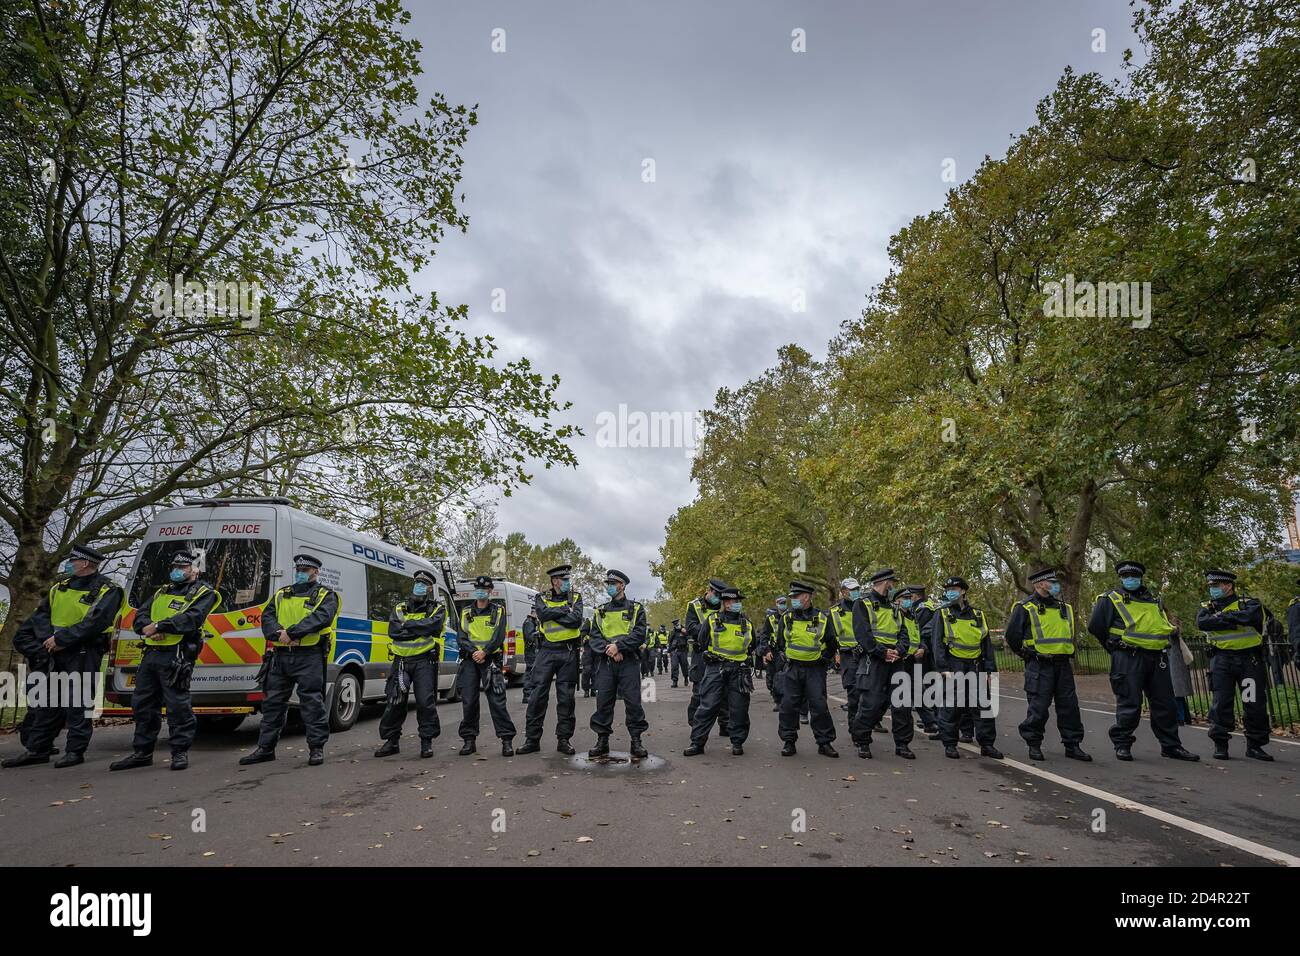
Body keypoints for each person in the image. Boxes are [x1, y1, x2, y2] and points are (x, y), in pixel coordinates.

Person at [3, 545, 122, 769]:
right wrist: (50, 640)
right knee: (47, 702)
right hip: (54, 651)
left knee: (78, 702)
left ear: (85, 563)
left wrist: (62, 639)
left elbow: (96, 622)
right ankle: (38, 749)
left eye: (73, 561)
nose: (68, 564)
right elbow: (42, 617)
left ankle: (75, 751)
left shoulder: (108, 589)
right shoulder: (59, 588)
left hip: (83, 651)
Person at [112, 550, 220, 771]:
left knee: (177, 706)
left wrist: (160, 626)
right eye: (175, 567)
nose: (177, 571)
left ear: (195, 570)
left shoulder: (204, 592)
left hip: (176, 655)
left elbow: (192, 618)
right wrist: (146, 628)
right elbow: (141, 614)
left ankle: (179, 752)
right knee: (142, 704)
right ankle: (142, 752)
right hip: (151, 653)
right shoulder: (162, 591)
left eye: (183, 567)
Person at [1086, 560, 1198, 762]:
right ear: (1121, 578)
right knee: (1130, 703)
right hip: (1127, 656)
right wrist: (1113, 647)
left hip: (1156, 658)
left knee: (1165, 704)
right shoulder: (1110, 599)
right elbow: (1095, 626)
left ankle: (1171, 746)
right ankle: (1122, 744)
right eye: (1126, 576)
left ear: (1140, 578)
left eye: (1134, 576)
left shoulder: (1154, 600)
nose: (1130, 579)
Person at [239, 554, 339, 768]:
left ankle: (316, 748)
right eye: (299, 569)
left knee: (311, 703)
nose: (300, 573)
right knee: (272, 703)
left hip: (309, 655)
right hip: (280, 656)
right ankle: (265, 749)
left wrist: (292, 634)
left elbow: (321, 618)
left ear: (316, 572)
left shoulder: (326, 595)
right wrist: (279, 634)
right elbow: (267, 618)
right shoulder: (282, 594)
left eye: (306, 570)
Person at [1003, 567, 1090, 762]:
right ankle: (1034, 744)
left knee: (1070, 707)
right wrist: (1026, 654)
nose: (1056, 585)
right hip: (1039, 665)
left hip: (1062, 665)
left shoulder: (1064, 607)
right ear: (1040, 584)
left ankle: (1073, 745)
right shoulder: (1025, 607)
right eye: (1052, 582)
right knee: (1039, 707)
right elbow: (1012, 636)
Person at [1195, 569, 1272, 761]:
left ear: (1228, 586)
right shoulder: (1207, 607)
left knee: (1253, 702)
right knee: (1221, 703)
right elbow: (1203, 623)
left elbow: (1250, 618)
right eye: (1211, 586)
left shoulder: (1250, 604)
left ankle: (1255, 745)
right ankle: (1220, 745)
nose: (1212, 589)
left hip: (1249, 661)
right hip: (1222, 661)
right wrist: (1232, 619)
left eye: (1216, 586)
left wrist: (1222, 620)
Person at [375, 569, 445, 759]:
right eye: (417, 583)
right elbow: (394, 631)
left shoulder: (437, 608)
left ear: (429, 588)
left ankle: (426, 742)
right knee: (395, 701)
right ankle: (392, 741)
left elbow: (434, 627)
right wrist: (421, 627)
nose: (419, 586)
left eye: (423, 584)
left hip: (424, 660)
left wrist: (407, 625)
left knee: (425, 702)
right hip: (401, 661)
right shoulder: (400, 607)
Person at [931, 575, 1002, 760]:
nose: (950, 592)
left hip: (976, 665)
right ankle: (950, 744)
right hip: (954, 665)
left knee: (983, 706)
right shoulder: (942, 613)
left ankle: (987, 744)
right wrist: (943, 668)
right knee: (952, 706)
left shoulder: (978, 615)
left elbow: (986, 644)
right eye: (947, 590)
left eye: (954, 589)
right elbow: (937, 644)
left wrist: (990, 670)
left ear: (963, 591)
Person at [767, 581, 838, 757]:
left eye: (796, 597)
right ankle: (789, 741)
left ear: (807, 597)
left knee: (819, 705)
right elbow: (780, 643)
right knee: (788, 706)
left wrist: (824, 659)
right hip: (792, 668)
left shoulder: (822, 618)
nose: (793, 601)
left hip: (815, 670)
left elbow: (831, 643)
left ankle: (824, 743)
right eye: (792, 597)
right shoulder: (787, 618)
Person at [849, 569, 915, 760]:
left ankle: (902, 744)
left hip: (895, 660)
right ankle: (862, 742)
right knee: (871, 703)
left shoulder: (895, 608)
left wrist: (900, 651)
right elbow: (863, 634)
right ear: (886, 582)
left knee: (901, 704)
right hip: (874, 660)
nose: (893, 586)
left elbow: (904, 633)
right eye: (892, 583)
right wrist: (882, 652)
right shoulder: (863, 604)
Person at [519, 564, 583, 755]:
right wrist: (564, 611)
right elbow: (542, 614)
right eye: (564, 580)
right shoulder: (541, 597)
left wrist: (554, 615)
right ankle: (532, 740)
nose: (568, 583)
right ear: (555, 581)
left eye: (568, 580)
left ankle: (563, 740)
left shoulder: (576, 597)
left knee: (566, 699)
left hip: (568, 652)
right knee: (537, 697)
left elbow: (576, 620)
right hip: (546, 651)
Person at [684, 587, 755, 756]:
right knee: (707, 705)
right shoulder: (712, 620)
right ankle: (697, 743)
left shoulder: (747, 623)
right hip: (715, 669)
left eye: (738, 601)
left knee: (738, 708)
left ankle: (737, 742)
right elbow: (702, 641)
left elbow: (752, 645)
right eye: (732, 601)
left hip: (739, 670)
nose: (736, 604)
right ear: (725, 603)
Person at [587, 570, 649, 759]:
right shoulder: (600, 610)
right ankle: (602, 741)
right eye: (608, 583)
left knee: (633, 703)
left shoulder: (637, 609)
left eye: (613, 583)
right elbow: (595, 636)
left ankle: (636, 741)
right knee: (603, 703)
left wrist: (619, 647)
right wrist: (610, 650)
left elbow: (639, 635)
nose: (609, 586)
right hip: (606, 662)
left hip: (629, 662)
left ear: (622, 585)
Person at [456, 575, 517, 756]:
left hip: (490, 660)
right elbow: (461, 637)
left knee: (497, 701)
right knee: (469, 701)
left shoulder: (498, 611)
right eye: (478, 589)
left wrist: (485, 652)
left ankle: (506, 740)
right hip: (470, 660)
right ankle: (469, 740)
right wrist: (474, 651)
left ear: (490, 591)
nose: (480, 591)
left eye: (484, 589)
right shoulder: (466, 611)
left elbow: (499, 636)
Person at [685, 579, 730, 737]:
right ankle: (695, 724)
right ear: (709, 591)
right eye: (715, 594)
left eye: (720, 595)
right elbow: (691, 628)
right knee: (699, 692)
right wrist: (713, 628)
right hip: (701, 654)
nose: (717, 598)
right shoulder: (695, 606)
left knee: (724, 692)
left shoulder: (725, 605)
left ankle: (725, 725)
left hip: (722, 654)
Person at [899, 585, 940, 736]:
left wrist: (922, 647)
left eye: (910, 598)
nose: (909, 601)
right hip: (897, 658)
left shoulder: (914, 615)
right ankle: (870, 722)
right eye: (905, 598)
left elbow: (919, 635)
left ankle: (929, 722)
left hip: (913, 658)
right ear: (897, 601)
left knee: (918, 690)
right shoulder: (894, 616)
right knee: (887, 695)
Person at [831, 578, 862, 721]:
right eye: (852, 590)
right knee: (854, 693)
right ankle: (855, 728)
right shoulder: (835, 612)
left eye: (857, 589)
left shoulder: (865, 608)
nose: (856, 592)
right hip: (847, 655)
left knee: (872, 693)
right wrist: (835, 654)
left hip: (867, 655)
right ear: (843, 592)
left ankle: (872, 722)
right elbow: (830, 637)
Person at [761, 596, 787, 712]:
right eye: (781, 603)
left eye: (785, 603)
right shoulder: (771, 618)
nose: (783, 605)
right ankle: (777, 701)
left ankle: (786, 701)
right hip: (774, 652)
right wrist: (766, 651)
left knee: (786, 678)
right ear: (776, 604)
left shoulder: (791, 616)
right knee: (772, 678)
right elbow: (764, 636)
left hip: (788, 651)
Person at [521, 606, 540, 705]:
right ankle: (527, 695)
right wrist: (539, 633)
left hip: (532, 651)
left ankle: (530, 694)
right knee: (530, 673)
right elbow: (530, 637)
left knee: (533, 673)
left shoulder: (532, 622)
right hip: (531, 651)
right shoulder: (529, 622)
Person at [668, 619, 690, 687]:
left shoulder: (685, 630)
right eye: (675, 624)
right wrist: (669, 651)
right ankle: (675, 681)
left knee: (684, 666)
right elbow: (670, 642)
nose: (676, 625)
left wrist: (685, 633)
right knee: (674, 666)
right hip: (674, 651)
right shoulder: (673, 632)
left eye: (677, 624)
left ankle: (686, 678)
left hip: (683, 651)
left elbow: (690, 638)